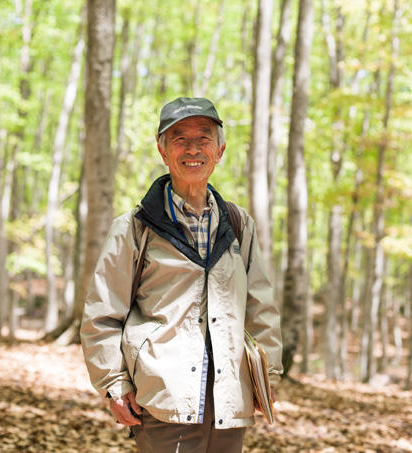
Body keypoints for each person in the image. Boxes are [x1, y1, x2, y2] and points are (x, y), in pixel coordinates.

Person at [80, 97, 283, 452]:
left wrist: (269, 376)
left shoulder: (238, 224)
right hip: (163, 399)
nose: (193, 149)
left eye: (204, 138)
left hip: (229, 398)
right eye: (179, 139)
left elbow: (260, 307)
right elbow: (102, 314)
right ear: (162, 150)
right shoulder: (134, 227)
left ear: (220, 150)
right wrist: (114, 383)